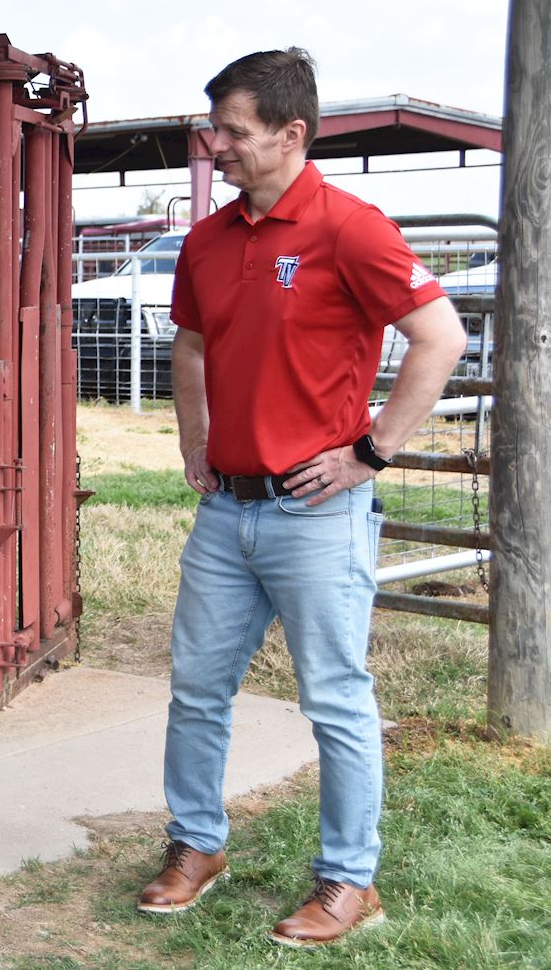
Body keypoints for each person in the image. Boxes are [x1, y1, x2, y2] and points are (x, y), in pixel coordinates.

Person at [136, 48, 465, 945]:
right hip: (226, 511)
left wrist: (372, 451)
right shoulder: (206, 240)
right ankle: (197, 845)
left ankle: (349, 879)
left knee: (335, 697)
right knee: (198, 688)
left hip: (316, 511)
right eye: (216, 129)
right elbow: (195, 348)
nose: (217, 146)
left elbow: (440, 337)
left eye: (234, 132)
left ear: (291, 134)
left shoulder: (349, 228)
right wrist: (192, 440)